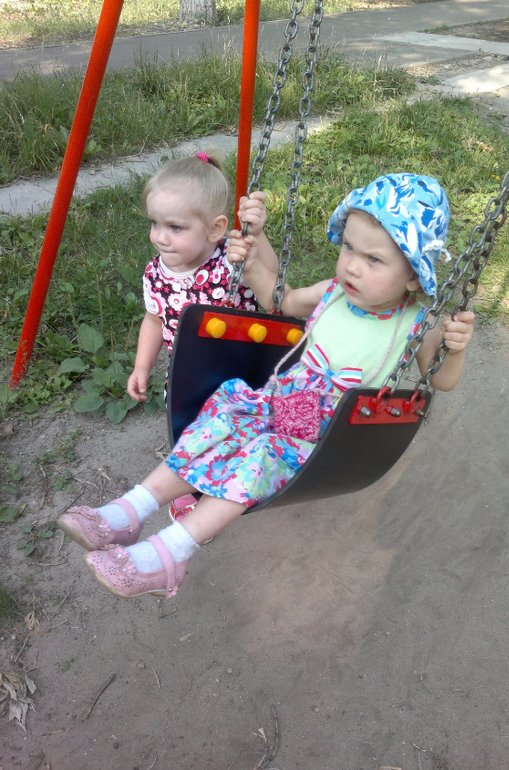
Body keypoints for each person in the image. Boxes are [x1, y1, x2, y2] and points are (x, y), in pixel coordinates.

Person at [57, 173, 474, 601]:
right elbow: (282, 302)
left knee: (256, 458)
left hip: (323, 436)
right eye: (349, 247)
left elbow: (442, 380)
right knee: (220, 420)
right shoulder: (331, 293)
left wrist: (454, 349)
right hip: (276, 403)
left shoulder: (416, 325)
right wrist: (254, 264)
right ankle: (129, 511)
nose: (352, 265)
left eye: (374, 259)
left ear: (413, 276)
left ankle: (167, 556)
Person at [127, 148, 277, 521]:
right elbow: (153, 320)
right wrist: (142, 366)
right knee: (188, 430)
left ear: (215, 228)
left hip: (240, 372)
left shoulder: (233, 258)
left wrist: (258, 237)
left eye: (175, 228)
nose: (161, 237)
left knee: (242, 429)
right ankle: (192, 489)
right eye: (155, 223)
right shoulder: (155, 273)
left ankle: (239, 479)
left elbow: (273, 285)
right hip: (188, 374)